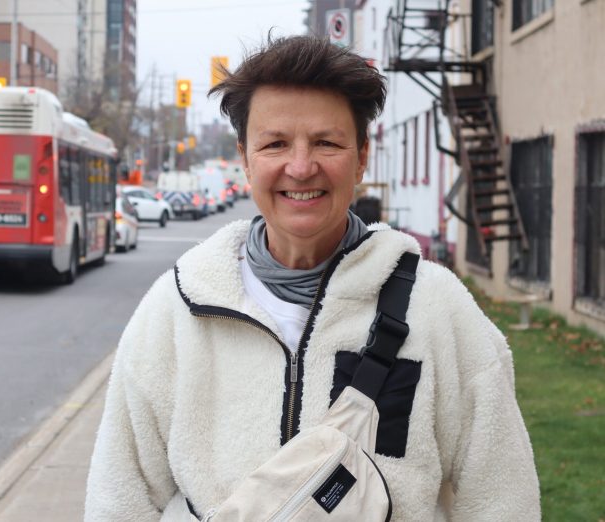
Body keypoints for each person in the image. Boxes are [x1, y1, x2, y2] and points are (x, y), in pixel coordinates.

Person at [85, 35, 540, 521]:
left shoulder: (438, 309)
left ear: (362, 156)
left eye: (326, 142)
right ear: (245, 156)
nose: (300, 168)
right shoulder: (178, 307)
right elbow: (120, 497)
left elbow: (500, 496)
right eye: (275, 143)